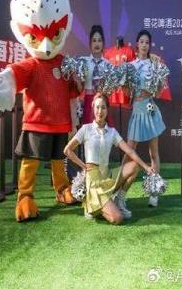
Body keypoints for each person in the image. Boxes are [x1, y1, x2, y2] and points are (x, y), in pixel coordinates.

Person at [63, 93, 155, 223]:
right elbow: (67, 150)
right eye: (97, 107)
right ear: (93, 108)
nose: (100, 111)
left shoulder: (112, 132)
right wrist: (83, 165)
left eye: (103, 107)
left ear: (107, 110)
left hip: (108, 177)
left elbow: (129, 151)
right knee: (117, 218)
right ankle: (91, 204)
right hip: (94, 183)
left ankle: (119, 200)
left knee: (134, 166)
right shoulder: (86, 129)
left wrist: (146, 167)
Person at [116, 29, 167, 213]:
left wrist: (155, 85)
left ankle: (154, 191)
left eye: (147, 42)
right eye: (142, 42)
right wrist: (126, 86)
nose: (144, 45)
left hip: (150, 109)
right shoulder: (130, 66)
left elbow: (158, 93)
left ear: (149, 45)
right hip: (137, 110)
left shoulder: (155, 65)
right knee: (129, 152)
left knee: (154, 153)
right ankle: (118, 190)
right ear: (136, 44)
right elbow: (126, 91)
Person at [75, 25, 114, 127]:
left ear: (103, 43)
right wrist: (78, 81)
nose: (97, 44)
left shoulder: (108, 64)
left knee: (104, 134)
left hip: (103, 103)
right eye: (94, 40)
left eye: (99, 40)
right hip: (89, 103)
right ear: (90, 43)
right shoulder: (84, 62)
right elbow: (80, 89)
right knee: (89, 134)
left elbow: (110, 90)